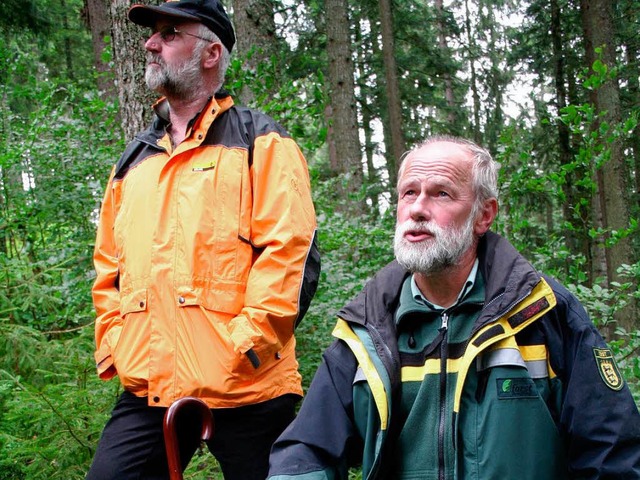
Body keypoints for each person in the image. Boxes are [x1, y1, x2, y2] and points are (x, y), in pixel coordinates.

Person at [267, 135, 640, 480]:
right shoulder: (368, 328)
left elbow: (611, 451)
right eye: (408, 193)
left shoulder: (544, 313)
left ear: (484, 215)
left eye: (441, 194)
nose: (417, 209)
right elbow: (306, 450)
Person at [86, 0, 320, 479]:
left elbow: (291, 253)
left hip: (248, 385)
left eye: (170, 33)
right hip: (149, 386)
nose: (151, 43)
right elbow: (108, 269)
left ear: (210, 53)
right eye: (153, 34)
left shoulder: (262, 143)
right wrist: (117, 345)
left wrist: (242, 347)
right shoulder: (133, 163)